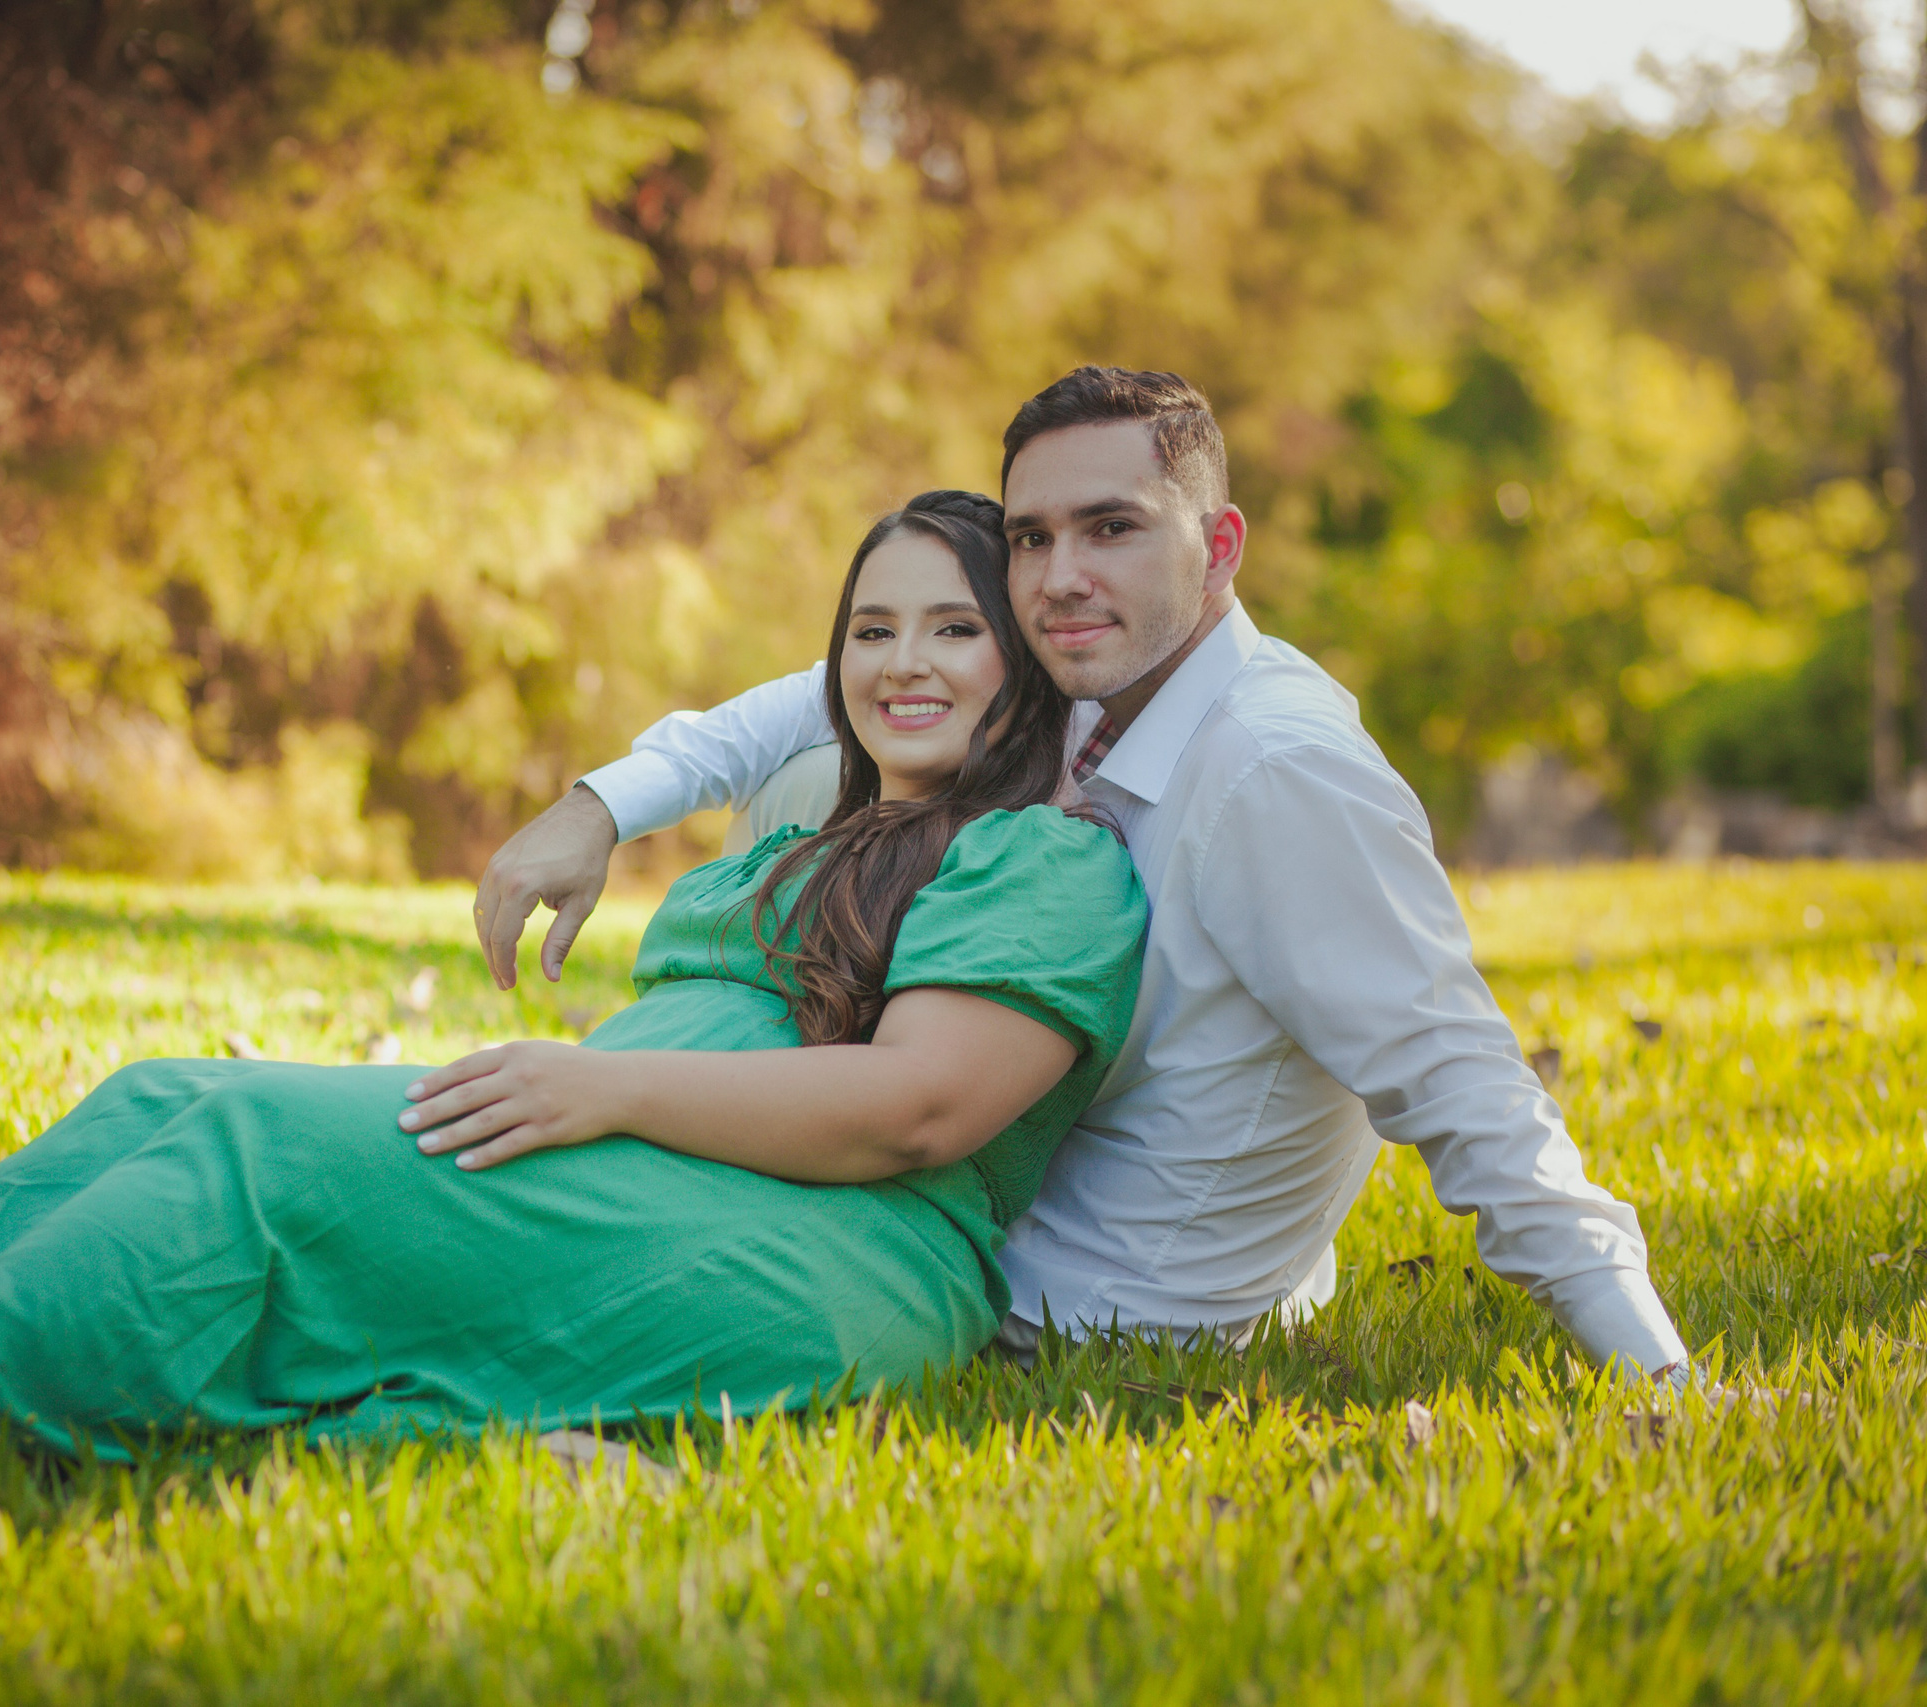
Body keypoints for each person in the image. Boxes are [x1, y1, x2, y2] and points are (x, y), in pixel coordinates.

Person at [0, 490, 1148, 1497]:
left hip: (828, 1243)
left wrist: (607, 1087)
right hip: (650, 1161)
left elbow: (922, 1106)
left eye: (955, 630)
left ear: (1025, 661)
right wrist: (602, 1035)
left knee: (258, 1148)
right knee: (169, 1099)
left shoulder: (1047, 862)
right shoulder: (838, 827)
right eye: (872, 629)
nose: (903, 663)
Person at [479, 366, 1693, 1383]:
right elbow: (818, 692)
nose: (1059, 576)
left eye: (1111, 529)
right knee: (840, 754)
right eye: (1031, 538)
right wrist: (598, 807)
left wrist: (1657, 1371)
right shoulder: (1097, 681)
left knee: (545, 1235)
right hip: (977, 1193)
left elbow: (1455, 1076)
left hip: (1084, 1309)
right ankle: (678, 1089)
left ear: (1216, 548)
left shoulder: (1276, 774)